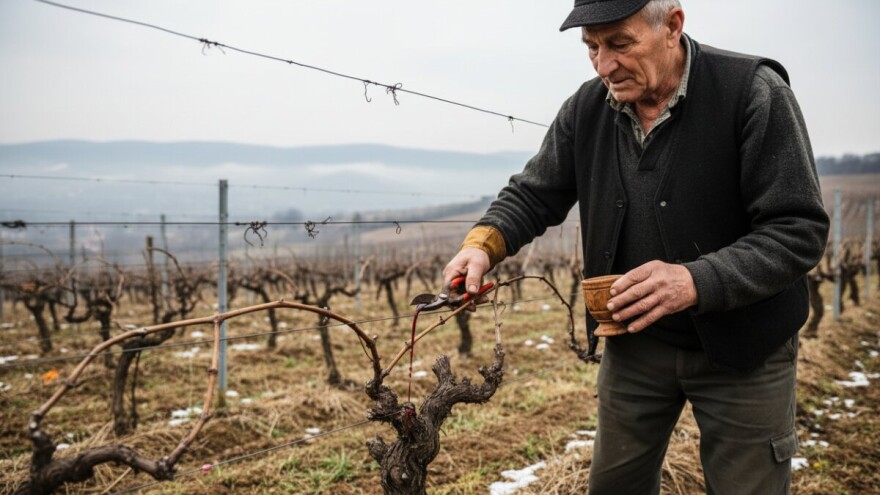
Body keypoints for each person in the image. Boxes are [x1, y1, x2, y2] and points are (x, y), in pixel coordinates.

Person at [441, 0, 830, 493]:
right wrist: (483, 245)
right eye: (592, 48)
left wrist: (694, 280)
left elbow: (798, 228)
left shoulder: (753, 93)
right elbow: (534, 193)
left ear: (672, 26)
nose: (604, 65)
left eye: (620, 44)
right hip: (635, 344)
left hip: (745, 345)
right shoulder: (586, 109)